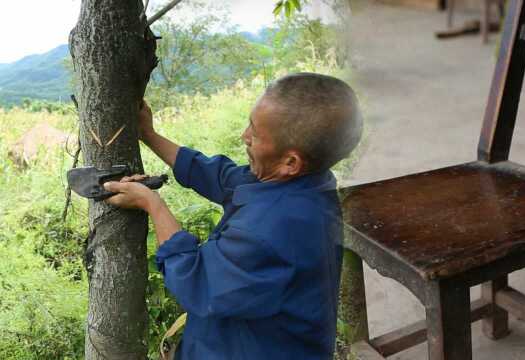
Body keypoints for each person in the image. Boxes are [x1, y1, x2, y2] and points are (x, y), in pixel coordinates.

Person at [103, 72, 363, 360]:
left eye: (255, 133)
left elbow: (196, 280)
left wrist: (153, 205)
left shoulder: (273, 228)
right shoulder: (304, 181)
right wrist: (149, 135)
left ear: (290, 161)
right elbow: (222, 177)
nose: (244, 137)